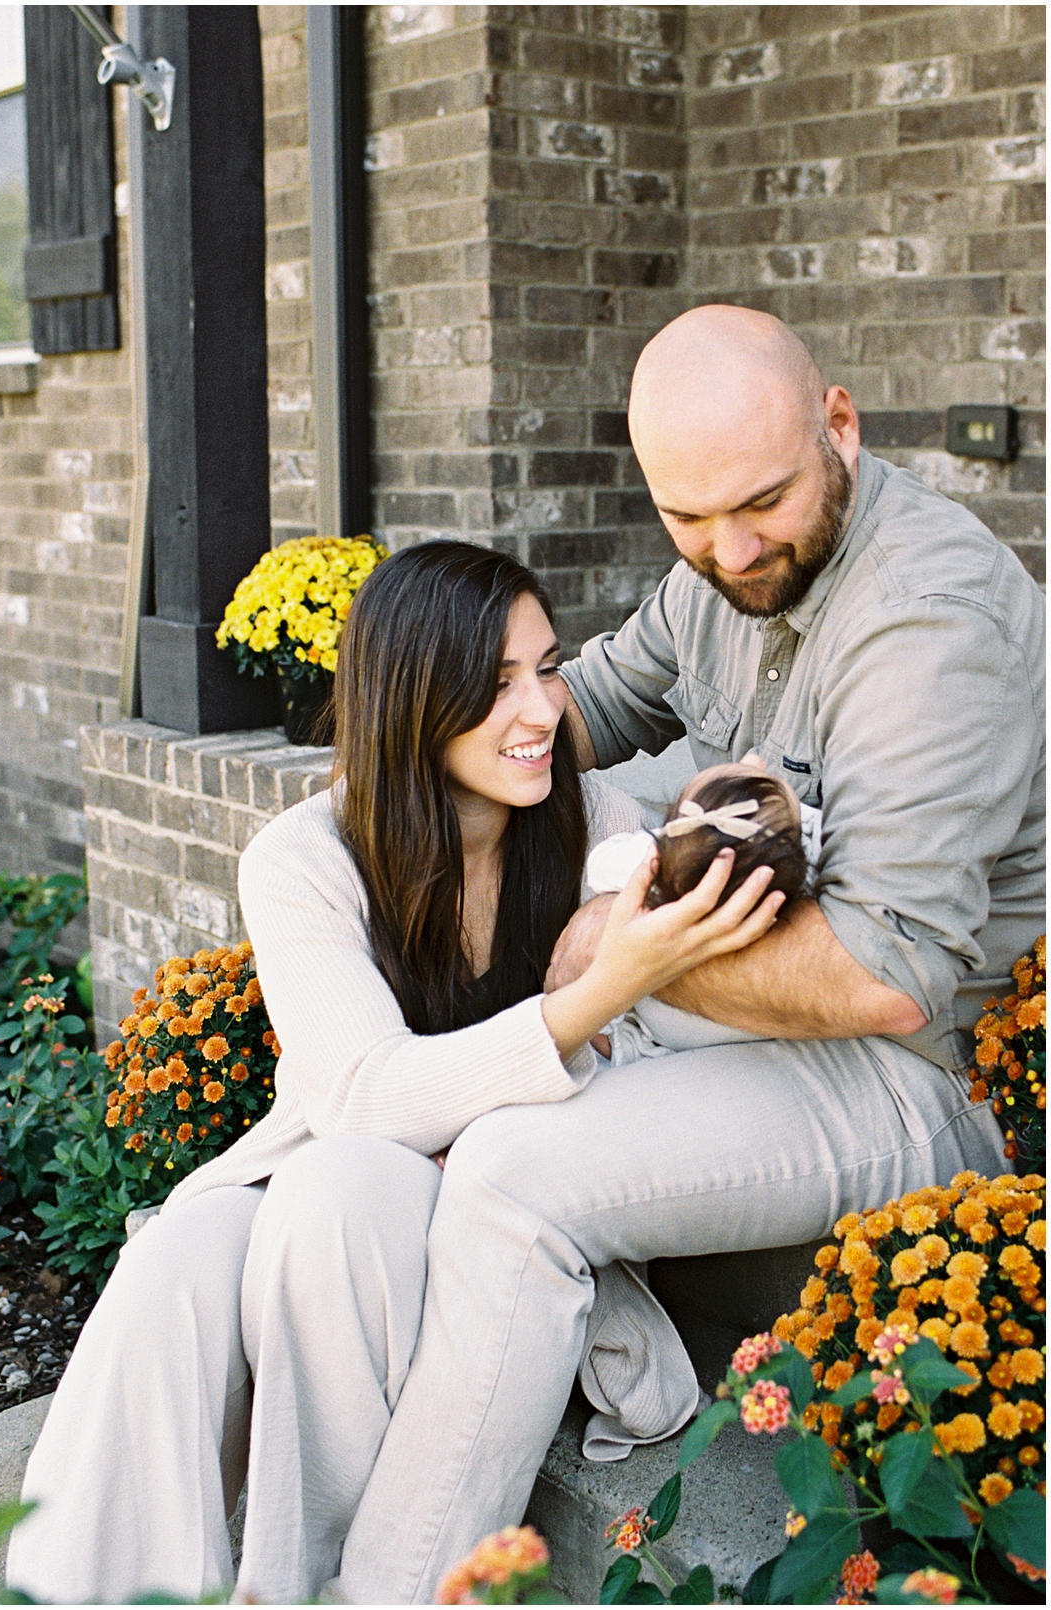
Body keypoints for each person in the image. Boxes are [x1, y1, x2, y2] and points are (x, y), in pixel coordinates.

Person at [321, 306, 1041, 1604]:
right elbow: (582, 707)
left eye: (762, 503)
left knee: (508, 1176)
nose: (732, 548)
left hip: (913, 1068)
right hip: (755, 1018)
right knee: (460, 1090)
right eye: (688, 517)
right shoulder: (714, 565)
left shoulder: (926, 620)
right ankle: (627, 1362)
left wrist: (620, 949)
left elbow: (888, 971)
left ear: (840, 424)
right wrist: (369, 794)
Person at [6, 541, 777, 1607]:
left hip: (470, 1223)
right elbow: (363, 1090)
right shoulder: (305, 856)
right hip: (339, 1186)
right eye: (496, 684)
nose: (541, 711)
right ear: (412, 698)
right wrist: (587, 1001)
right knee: (172, 1263)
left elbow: (599, 1086)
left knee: (345, 1187)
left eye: (547, 669)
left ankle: (292, 1585)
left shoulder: (594, 828)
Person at [586, 755, 817, 1060]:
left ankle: (623, 1043)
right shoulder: (799, 878)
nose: (757, 759)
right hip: (731, 1033)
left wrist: (656, 851)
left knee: (636, 1022)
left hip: (659, 1016)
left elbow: (599, 864)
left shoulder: (655, 868)